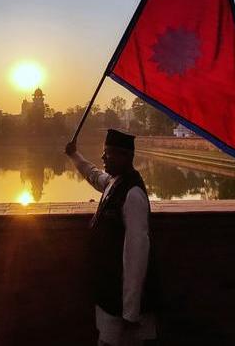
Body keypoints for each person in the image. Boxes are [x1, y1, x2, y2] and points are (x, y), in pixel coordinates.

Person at [65, 129, 158, 346]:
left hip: (124, 304)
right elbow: (93, 174)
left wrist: (131, 311)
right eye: (104, 152)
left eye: (109, 153)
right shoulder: (114, 183)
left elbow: (136, 256)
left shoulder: (132, 193)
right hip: (111, 292)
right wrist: (74, 155)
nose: (103, 157)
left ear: (126, 157)